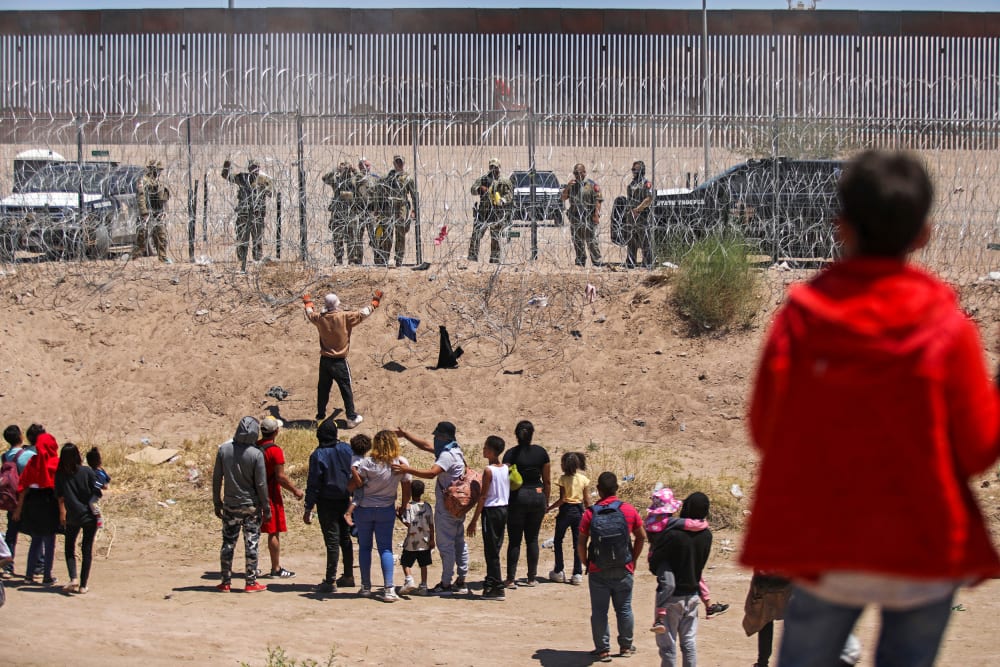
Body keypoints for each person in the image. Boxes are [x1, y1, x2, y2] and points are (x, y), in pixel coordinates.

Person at [741, 150, 1000, 667]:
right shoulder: (949, 328)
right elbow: (976, 452)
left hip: (826, 538)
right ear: (923, 234)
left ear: (840, 228)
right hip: (923, 543)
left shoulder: (801, 319)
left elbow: (765, 430)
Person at [394, 422, 470, 595]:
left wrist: (407, 469)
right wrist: (406, 434)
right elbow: (425, 445)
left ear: (444, 437)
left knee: (446, 546)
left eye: (437, 436)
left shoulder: (446, 456)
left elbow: (431, 473)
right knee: (459, 543)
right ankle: (462, 580)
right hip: (458, 506)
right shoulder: (456, 450)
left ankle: (445, 584)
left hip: (447, 509)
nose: (434, 439)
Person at [577, 472, 646, 663]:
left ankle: (603, 650)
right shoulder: (629, 510)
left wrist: (586, 563)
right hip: (624, 567)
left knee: (599, 611)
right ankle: (625, 646)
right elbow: (641, 537)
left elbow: (581, 543)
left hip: (598, 569)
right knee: (624, 608)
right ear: (616, 488)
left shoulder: (590, 513)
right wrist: (633, 558)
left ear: (598, 490)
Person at [650, 492, 713, 667]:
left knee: (668, 645)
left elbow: (655, 563)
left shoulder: (673, 535)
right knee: (689, 643)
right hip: (693, 594)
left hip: (671, 598)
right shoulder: (707, 536)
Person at [348, 429, 411, 602]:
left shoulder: (368, 463)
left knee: (365, 547)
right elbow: (406, 488)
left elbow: (353, 485)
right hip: (386, 508)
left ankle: (366, 586)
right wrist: (404, 506)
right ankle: (389, 588)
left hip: (365, 508)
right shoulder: (400, 463)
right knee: (385, 548)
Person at [303, 290, 381, 427]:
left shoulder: (320, 318)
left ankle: (320, 417)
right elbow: (363, 313)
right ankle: (351, 417)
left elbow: (309, 313)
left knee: (323, 389)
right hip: (339, 361)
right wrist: (374, 303)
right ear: (337, 303)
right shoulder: (345, 317)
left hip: (324, 360)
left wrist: (307, 302)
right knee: (346, 389)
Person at [211, 416, 270, 593]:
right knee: (251, 542)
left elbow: (216, 478)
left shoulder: (224, 450)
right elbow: (261, 484)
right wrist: (266, 507)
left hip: (230, 504)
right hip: (251, 506)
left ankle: (225, 581)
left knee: (228, 543)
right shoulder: (256, 454)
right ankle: (250, 582)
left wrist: (217, 501)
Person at [303, 417, 356, 594]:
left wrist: (308, 507)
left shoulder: (318, 455)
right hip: (346, 499)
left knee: (332, 541)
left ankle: (330, 580)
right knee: (345, 539)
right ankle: (348, 576)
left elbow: (313, 483)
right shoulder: (346, 449)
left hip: (326, 502)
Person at [502, 420, 550, 588]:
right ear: (532, 434)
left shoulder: (510, 454)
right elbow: (547, 481)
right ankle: (531, 578)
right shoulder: (541, 453)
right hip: (537, 496)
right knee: (533, 539)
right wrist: (546, 501)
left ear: (516, 435)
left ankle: (510, 579)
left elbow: (504, 477)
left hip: (517, 498)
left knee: (514, 540)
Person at [257, 417, 304, 579]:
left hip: (255, 493)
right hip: (271, 494)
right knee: (273, 531)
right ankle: (275, 568)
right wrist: (295, 490)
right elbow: (280, 477)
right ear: (276, 431)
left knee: (253, 531)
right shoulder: (275, 451)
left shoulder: (255, 447)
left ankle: (252, 567)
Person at [466, 435, 509, 600]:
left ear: (491, 451)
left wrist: (474, 520)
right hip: (503, 509)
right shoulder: (505, 467)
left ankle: (496, 586)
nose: (483, 449)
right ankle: (491, 581)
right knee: (495, 548)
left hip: (491, 511)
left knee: (491, 550)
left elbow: (483, 497)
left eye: (485, 447)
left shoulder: (488, 470)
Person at [14, 431, 59, 585]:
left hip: (32, 503)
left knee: (36, 540)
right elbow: (59, 488)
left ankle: (28, 575)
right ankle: (47, 575)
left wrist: (19, 509)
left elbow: (23, 486)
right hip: (49, 503)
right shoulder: (55, 462)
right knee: (49, 541)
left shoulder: (32, 461)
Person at [54, 443, 99, 594]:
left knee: (69, 547)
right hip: (89, 516)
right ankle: (83, 585)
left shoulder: (60, 474)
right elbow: (97, 491)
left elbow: (60, 498)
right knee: (86, 549)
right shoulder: (86, 471)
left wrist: (62, 514)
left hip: (72, 516)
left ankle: (73, 577)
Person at [221, 158, 273, 272]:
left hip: (257, 213)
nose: (254, 169)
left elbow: (271, 193)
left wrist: (265, 187)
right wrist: (227, 164)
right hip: (243, 213)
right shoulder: (242, 178)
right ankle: (241, 258)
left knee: (257, 238)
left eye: (256, 167)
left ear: (259, 168)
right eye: (252, 167)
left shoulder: (264, 179)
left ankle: (257, 259)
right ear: (249, 168)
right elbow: (226, 176)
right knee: (241, 237)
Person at [546, 451, 590, 586]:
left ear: (565, 465)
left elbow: (563, 499)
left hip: (565, 510)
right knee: (578, 542)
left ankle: (559, 570)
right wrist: (590, 512)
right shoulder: (583, 479)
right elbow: (587, 501)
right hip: (578, 511)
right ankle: (577, 573)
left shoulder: (562, 479)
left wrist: (549, 508)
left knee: (558, 540)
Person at [2, 424, 35, 578]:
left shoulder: (5, 456)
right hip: (26, 499)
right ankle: (38, 566)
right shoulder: (26, 455)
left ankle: (8, 566)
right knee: (36, 532)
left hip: (10, 498)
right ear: (21, 436)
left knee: (11, 532)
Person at [468, 157, 513, 264]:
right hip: (483, 212)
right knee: (476, 234)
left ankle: (495, 258)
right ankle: (472, 257)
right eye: (492, 167)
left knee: (495, 237)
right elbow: (472, 189)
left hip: (497, 213)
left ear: (499, 168)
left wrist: (502, 200)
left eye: (496, 167)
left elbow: (510, 195)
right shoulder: (483, 179)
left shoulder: (504, 181)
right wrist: (479, 189)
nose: (494, 169)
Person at [378, 155, 418, 267]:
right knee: (387, 233)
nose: (399, 164)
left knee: (400, 234)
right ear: (394, 163)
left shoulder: (408, 178)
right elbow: (380, 192)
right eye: (397, 162)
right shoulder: (388, 178)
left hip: (401, 207)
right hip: (389, 207)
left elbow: (414, 196)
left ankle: (399, 260)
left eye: (400, 162)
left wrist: (414, 211)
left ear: (403, 163)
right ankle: (384, 257)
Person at [561, 163, 603, 267]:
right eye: (575, 173)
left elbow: (598, 200)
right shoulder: (572, 185)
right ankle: (580, 260)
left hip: (588, 217)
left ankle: (597, 260)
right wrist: (567, 187)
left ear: (584, 173)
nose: (577, 175)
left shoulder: (592, 185)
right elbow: (563, 197)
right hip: (575, 217)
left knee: (591, 240)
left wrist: (596, 215)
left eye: (579, 173)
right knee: (577, 241)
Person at [398, 478, 434, 597]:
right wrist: (432, 539)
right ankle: (423, 585)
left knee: (405, 562)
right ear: (423, 491)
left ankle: (409, 579)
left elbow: (408, 523)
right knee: (423, 564)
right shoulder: (427, 506)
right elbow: (431, 524)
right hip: (425, 540)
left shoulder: (409, 507)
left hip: (412, 541)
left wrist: (398, 515)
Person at [132, 158, 172, 263]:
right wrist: (144, 213)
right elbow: (141, 197)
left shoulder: (157, 181)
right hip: (147, 213)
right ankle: (135, 257)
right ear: (152, 169)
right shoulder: (143, 181)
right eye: (158, 170)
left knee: (161, 235)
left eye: (160, 170)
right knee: (142, 236)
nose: (159, 172)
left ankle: (163, 257)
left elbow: (162, 199)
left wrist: (164, 211)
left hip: (157, 212)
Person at [322, 161, 357, 265]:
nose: (345, 169)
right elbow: (324, 178)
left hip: (350, 211)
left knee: (351, 236)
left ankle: (351, 259)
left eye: (346, 167)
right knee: (338, 236)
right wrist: (335, 169)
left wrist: (354, 169)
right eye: (343, 166)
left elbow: (363, 179)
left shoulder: (353, 180)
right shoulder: (336, 180)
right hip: (338, 211)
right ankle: (339, 258)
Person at [623, 160, 654, 269]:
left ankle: (647, 263)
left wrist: (638, 209)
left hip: (642, 216)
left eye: (635, 170)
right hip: (631, 216)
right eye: (633, 170)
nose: (633, 172)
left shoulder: (646, 184)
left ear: (641, 171)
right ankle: (631, 262)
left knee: (645, 240)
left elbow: (649, 198)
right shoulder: (632, 184)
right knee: (631, 240)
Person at [351, 158, 379, 265]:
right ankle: (358, 260)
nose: (367, 167)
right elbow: (353, 184)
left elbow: (380, 193)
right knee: (358, 236)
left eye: (368, 165)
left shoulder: (375, 179)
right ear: (360, 167)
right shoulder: (356, 178)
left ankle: (378, 259)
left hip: (372, 211)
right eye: (364, 165)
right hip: (360, 211)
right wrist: (357, 174)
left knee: (376, 235)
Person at [343, 433, 372, 529]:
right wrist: (359, 482)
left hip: (350, 482)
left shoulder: (352, 457)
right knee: (358, 498)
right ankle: (348, 513)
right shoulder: (360, 460)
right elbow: (353, 468)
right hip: (357, 483)